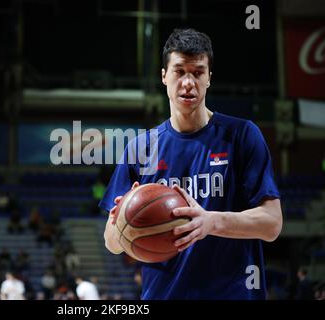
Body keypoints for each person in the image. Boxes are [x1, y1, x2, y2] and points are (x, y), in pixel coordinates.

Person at [100, 28, 283, 300]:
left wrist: (210, 222)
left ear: (209, 78)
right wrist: (123, 220)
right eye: (179, 71)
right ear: (164, 77)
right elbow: (111, 243)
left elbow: (271, 224)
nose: (188, 82)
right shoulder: (139, 148)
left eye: (197, 72)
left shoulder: (242, 135)